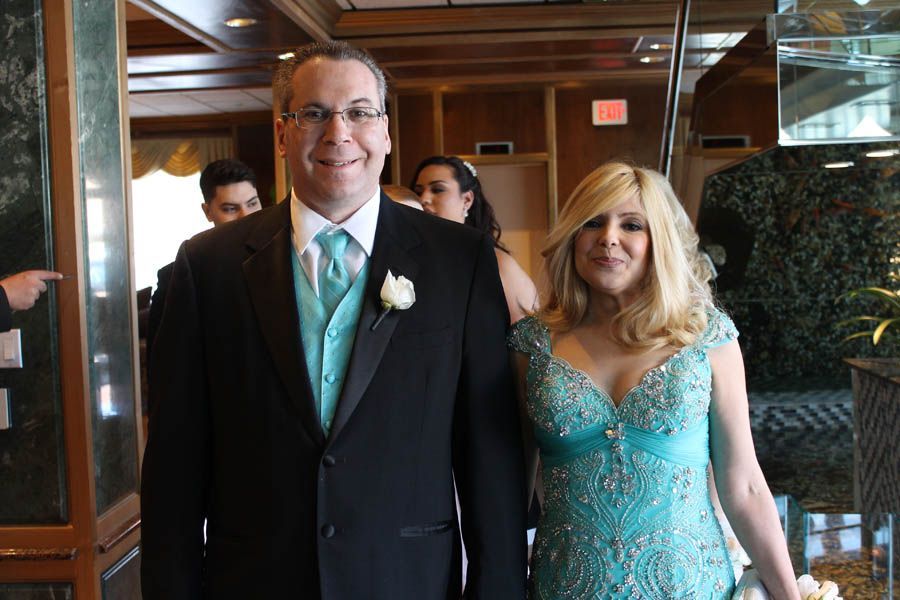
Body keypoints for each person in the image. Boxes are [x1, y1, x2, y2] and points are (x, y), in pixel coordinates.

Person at [140, 41, 527, 600]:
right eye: (315, 113)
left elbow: (488, 453)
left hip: (406, 578)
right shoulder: (207, 266)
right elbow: (175, 462)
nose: (338, 133)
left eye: (360, 113)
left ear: (385, 132)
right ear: (282, 135)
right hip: (253, 581)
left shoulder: (460, 261)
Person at [508, 161, 800, 599]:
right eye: (592, 222)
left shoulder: (707, 337)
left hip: (691, 586)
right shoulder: (531, 345)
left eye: (631, 225)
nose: (608, 237)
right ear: (572, 236)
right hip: (565, 586)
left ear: (657, 240)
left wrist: (789, 594)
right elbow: (510, 489)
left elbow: (744, 485)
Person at [146, 158, 261, 361]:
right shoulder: (175, 277)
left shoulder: (284, 262)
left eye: (252, 204)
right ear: (207, 211)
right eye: (230, 209)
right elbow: (165, 363)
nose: (246, 217)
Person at [412, 155, 538, 323]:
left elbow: (532, 333)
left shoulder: (496, 263)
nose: (423, 199)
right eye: (418, 192)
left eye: (438, 190)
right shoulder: (411, 259)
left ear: (467, 200)